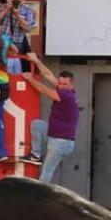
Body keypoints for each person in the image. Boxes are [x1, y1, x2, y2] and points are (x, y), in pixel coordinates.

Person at [22, 53, 78, 183]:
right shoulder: (66, 90)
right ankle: (36, 154)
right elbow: (47, 74)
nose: (61, 86)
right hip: (56, 136)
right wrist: (36, 60)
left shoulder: (65, 96)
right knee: (36, 124)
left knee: (46, 172)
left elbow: (43, 88)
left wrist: (30, 78)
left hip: (60, 142)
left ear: (71, 85)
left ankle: (39, 199)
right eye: (60, 83)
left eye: (65, 84)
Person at [0, 0, 34, 74]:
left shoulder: (28, 10)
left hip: (17, 43)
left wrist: (17, 15)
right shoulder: (4, 6)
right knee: (1, 66)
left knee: (16, 68)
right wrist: (7, 9)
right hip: (2, 40)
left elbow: (27, 27)